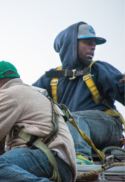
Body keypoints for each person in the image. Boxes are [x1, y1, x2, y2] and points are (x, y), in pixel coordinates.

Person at [33, 22, 125, 165]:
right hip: (73, 129)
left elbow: (122, 91)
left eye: (94, 44)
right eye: (88, 43)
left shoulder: (98, 69)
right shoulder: (52, 78)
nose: (93, 47)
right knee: (63, 123)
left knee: (72, 120)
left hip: (109, 128)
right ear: (70, 45)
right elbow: (27, 98)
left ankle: (80, 159)